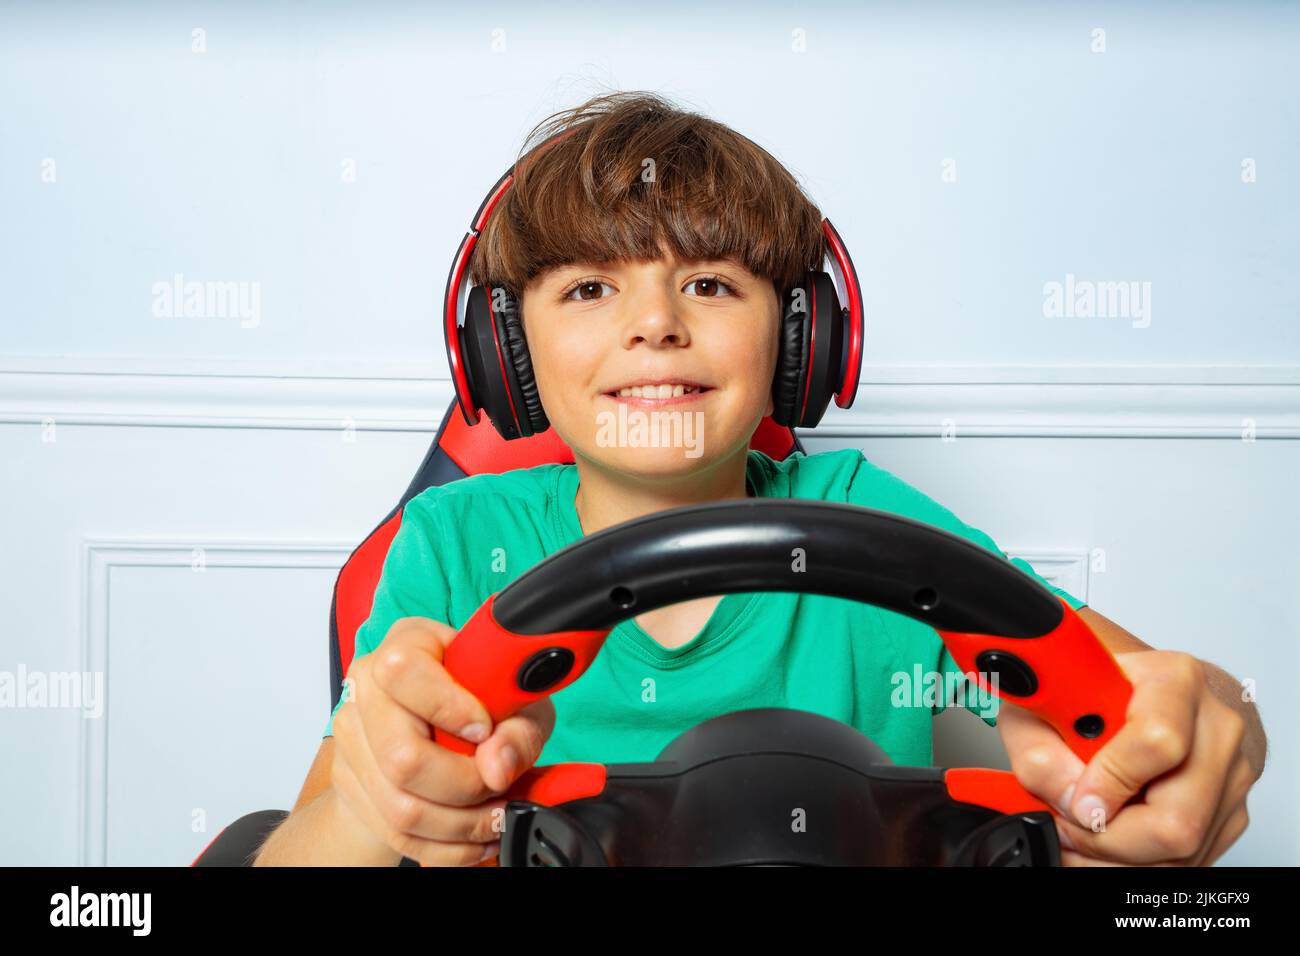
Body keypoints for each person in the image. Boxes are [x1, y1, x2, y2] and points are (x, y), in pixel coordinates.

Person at [254, 91, 1266, 867]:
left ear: (798, 341)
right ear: (504, 354)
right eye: (592, 286)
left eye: (707, 282)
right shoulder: (455, 540)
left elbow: (1137, 699)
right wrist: (365, 799)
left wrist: (1207, 727)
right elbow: (292, 854)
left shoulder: (868, 521)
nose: (654, 323)